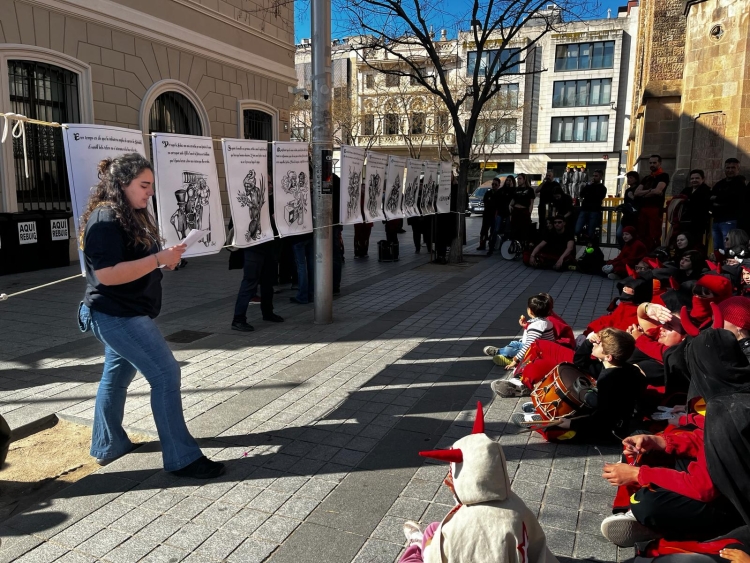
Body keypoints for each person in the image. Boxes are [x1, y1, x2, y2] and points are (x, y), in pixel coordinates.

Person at [76, 153, 224, 478]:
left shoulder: (128, 214)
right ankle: (182, 458)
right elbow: (107, 275)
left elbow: (136, 260)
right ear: (122, 184)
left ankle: (107, 445)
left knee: (115, 379)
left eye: (151, 186)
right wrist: (159, 258)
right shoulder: (105, 219)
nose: (150, 192)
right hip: (117, 315)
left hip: (124, 311)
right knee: (166, 375)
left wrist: (166, 258)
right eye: (144, 185)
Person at [401, 404, 557, 563]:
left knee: (414, 555)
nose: (448, 481)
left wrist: (428, 547)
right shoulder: (518, 507)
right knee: (434, 527)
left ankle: (415, 545)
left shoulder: (456, 529)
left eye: (451, 474)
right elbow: (538, 548)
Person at [599, 411, 741, 546]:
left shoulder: (737, 412)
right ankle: (651, 510)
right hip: (711, 472)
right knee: (639, 444)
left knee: (646, 504)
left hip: (732, 501)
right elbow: (706, 438)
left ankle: (657, 525)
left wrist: (638, 474)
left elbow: (703, 487)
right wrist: (660, 442)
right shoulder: (732, 409)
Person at [538, 328, 644, 443]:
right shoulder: (617, 366)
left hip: (611, 430)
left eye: (600, 344)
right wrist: (588, 343)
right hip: (612, 416)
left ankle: (544, 423)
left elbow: (602, 420)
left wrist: (571, 424)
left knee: (552, 433)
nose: (596, 342)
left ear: (608, 357)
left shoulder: (608, 381)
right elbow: (580, 362)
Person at [488, 295, 556, 398]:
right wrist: (526, 326)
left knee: (525, 364)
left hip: (540, 356)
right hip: (543, 352)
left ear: (530, 311)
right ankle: (516, 377)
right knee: (517, 349)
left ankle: (518, 385)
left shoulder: (537, 326)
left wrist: (515, 359)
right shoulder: (545, 322)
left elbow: (528, 346)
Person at [710, 158, 748, 251]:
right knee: (717, 248)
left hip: (729, 220)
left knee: (728, 246)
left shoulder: (739, 184)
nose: (730, 170)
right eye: (728, 168)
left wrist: (718, 199)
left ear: (738, 169)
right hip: (716, 220)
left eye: (733, 168)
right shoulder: (720, 184)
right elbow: (710, 197)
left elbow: (733, 200)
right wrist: (721, 200)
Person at [635, 155, 670, 250]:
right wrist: (650, 191)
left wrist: (644, 193)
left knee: (654, 234)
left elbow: (658, 191)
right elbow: (636, 193)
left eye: (654, 162)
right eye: (650, 163)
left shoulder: (663, 176)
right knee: (642, 233)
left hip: (654, 208)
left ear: (660, 163)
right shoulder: (646, 178)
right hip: (643, 209)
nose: (652, 164)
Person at [680, 169, 712, 245]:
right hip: (685, 221)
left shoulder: (706, 190)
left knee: (695, 242)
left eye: (697, 178)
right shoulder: (687, 190)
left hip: (698, 222)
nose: (694, 180)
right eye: (692, 178)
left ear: (703, 179)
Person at [575, 169, 607, 242]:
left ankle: (590, 245)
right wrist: (589, 186)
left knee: (590, 232)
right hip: (584, 209)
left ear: (600, 177)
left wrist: (589, 193)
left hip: (594, 211)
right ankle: (583, 235)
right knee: (577, 229)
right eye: (593, 175)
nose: (594, 177)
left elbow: (598, 197)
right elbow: (581, 194)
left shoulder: (602, 188)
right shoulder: (589, 186)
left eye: (596, 176)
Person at [616, 171, 641, 246]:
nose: (629, 180)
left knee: (633, 236)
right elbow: (626, 203)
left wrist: (633, 197)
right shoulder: (627, 190)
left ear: (636, 179)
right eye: (628, 178)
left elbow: (639, 203)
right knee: (619, 234)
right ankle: (624, 250)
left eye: (631, 178)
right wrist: (620, 206)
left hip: (635, 218)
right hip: (626, 217)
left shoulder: (639, 189)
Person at [509, 173, 535, 242]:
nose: (518, 180)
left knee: (524, 229)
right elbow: (513, 201)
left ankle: (523, 245)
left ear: (524, 179)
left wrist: (529, 213)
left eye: (520, 179)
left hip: (524, 210)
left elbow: (531, 203)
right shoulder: (516, 189)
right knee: (514, 229)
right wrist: (510, 206)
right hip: (516, 210)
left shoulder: (530, 190)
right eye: (518, 179)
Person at [477, 177, 501, 252]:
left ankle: (491, 246)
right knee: (484, 230)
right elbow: (485, 201)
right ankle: (482, 244)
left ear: (498, 185)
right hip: (487, 214)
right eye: (493, 184)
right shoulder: (488, 192)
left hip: (494, 215)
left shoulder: (499, 194)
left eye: (495, 184)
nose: (493, 186)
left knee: (493, 231)